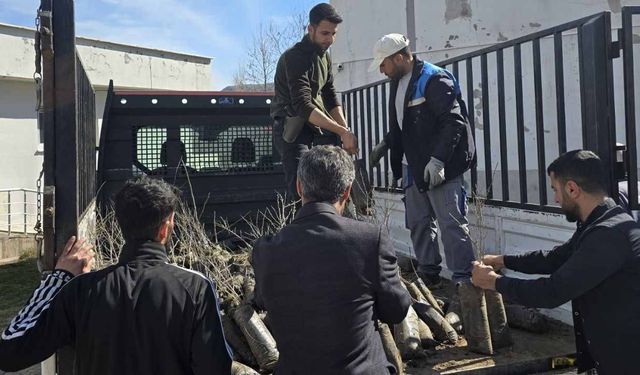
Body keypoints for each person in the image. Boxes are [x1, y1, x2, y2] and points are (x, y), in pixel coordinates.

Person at [0, 177, 232, 374]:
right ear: (165, 227)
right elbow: (216, 368)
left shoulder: (80, 291)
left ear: (121, 223)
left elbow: (10, 351)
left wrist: (58, 278)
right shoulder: (195, 288)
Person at [471, 150, 640, 375]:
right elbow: (554, 258)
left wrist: (494, 283)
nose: (555, 199)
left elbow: (552, 292)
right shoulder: (601, 221)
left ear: (572, 189)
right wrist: (502, 261)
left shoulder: (607, 235)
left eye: (555, 189)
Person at [252, 145, 411, 374]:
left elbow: (261, 301)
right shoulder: (369, 240)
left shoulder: (266, 250)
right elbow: (396, 310)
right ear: (347, 191)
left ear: (299, 187)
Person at [368, 33, 476, 286]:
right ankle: (429, 275)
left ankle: (464, 282)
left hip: (441, 166)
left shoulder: (434, 78)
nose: (382, 71)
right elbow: (405, 123)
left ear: (398, 57)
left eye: (383, 64)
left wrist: (438, 160)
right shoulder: (397, 81)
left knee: (451, 224)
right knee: (418, 222)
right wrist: (387, 143)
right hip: (411, 165)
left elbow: (453, 122)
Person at [271, 2, 358, 200]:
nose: (330, 39)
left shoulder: (324, 57)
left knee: (330, 184)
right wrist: (342, 132)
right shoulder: (295, 57)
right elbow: (302, 105)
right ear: (311, 29)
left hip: (314, 127)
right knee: (301, 191)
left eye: (334, 33)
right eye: (325, 33)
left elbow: (329, 96)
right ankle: (300, 228)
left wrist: (346, 131)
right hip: (291, 130)